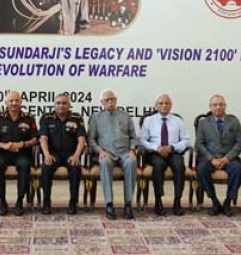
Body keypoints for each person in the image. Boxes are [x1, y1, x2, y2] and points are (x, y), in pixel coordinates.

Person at [88, 89, 138, 220]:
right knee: (104, 162)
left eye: (113, 99)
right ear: (102, 102)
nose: (110, 102)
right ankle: (109, 204)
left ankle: (128, 204)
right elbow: (91, 139)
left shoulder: (125, 116)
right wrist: (99, 150)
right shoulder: (96, 118)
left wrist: (132, 149)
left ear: (116, 101)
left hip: (124, 153)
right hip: (106, 153)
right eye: (107, 100)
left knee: (132, 161)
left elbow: (133, 137)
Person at [0, 91, 38, 216]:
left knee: (25, 166)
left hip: (22, 154)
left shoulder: (28, 118)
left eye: (16, 100)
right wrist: (3, 145)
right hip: (3, 153)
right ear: (6, 103)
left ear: (21, 102)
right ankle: (2, 201)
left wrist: (22, 144)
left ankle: (19, 201)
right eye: (11, 101)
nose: (14, 103)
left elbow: (36, 139)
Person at [140, 94, 190, 216]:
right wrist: (156, 148)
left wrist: (173, 147)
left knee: (179, 165)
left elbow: (186, 140)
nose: (164, 105)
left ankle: (177, 201)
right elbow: (142, 140)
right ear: (156, 106)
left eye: (167, 103)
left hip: (173, 152)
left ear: (171, 105)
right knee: (158, 165)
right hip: (155, 153)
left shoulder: (178, 121)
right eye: (161, 103)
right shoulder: (148, 120)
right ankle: (158, 201)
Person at [195, 94, 241, 217]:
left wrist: (227, 158)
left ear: (225, 106)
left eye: (221, 104)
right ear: (210, 107)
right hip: (209, 159)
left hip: (229, 159)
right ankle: (214, 201)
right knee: (201, 169)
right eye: (215, 105)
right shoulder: (203, 123)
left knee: (238, 169)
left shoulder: (234, 122)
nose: (218, 107)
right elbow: (199, 144)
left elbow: (239, 143)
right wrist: (211, 159)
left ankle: (227, 202)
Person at [39, 93, 86, 215]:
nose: (61, 105)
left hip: (70, 154)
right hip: (53, 154)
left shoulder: (76, 118)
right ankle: (46, 201)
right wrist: (47, 155)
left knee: (75, 168)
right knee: (46, 167)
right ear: (54, 105)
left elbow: (82, 139)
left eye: (64, 103)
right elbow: (43, 138)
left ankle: (73, 202)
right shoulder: (46, 118)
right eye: (58, 103)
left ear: (69, 105)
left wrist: (76, 155)